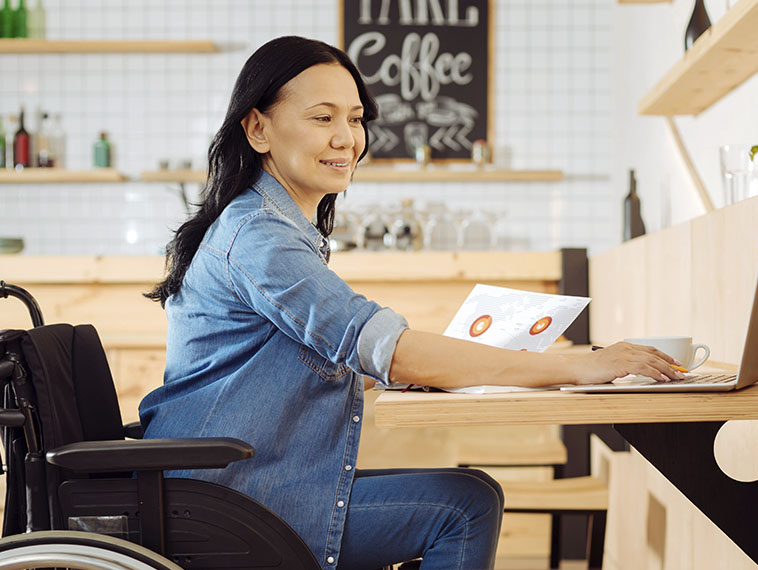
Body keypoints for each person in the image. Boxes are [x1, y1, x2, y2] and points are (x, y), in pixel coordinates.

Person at [139, 35, 682, 570]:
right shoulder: (261, 236)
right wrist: (578, 366)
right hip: (226, 501)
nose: (347, 138)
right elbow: (382, 348)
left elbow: (316, 359)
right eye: (322, 118)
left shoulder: (270, 226)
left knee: (467, 494)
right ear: (258, 129)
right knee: (464, 506)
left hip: (240, 487)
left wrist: (444, 364)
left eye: (355, 120)